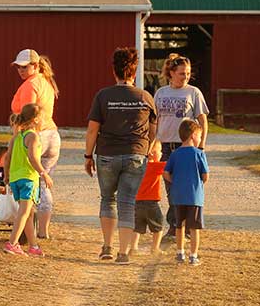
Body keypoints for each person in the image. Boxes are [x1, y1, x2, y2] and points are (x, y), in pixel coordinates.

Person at [85, 47, 157, 265]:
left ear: (114, 71)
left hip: (107, 154)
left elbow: (92, 129)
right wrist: (146, 149)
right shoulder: (145, 97)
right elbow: (154, 130)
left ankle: (107, 246)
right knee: (127, 202)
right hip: (136, 155)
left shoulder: (103, 96)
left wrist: (88, 155)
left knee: (108, 199)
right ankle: (123, 253)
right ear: (134, 73)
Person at [154, 54, 209, 238]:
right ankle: (177, 223)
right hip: (167, 147)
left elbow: (202, 119)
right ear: (171, 73)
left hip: (186, 146)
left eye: (187, 73)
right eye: (181, 73)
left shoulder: (193, 92)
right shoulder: (161, 93)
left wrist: (201, 145)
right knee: (171, 186)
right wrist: (152, 144)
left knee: (186, 187)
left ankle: (180, 225)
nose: (185, 77)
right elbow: (155, 120)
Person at [11, 49, 60, 239]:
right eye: (18, 67)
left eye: (24, 67)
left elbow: (27, 115)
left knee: (30, 179)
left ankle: (26, 225)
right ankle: (43, 230)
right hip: (52, 134)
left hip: (36, 136)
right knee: (43, 182)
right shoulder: (46, 82)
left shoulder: (30, 85)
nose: (21, 71)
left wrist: (17, 138)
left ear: (35, 66)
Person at [3, 103, 53, 257]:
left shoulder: (16, 137)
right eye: (43, 118)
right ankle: (12, 243)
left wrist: (6, 176)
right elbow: (32, 157)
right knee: (24, 213)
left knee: (29, 213)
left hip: (16, 179)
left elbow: (7, 158)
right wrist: (43, 173)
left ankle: (33, 246)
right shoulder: (33, 136)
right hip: (29, 179)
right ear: (36, 119)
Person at [163, 119, 209, 266]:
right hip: (194, 196)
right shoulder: (199, 154)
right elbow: (205, 176)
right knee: (194, 227)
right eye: (200, 136)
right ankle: (193, 256)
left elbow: (165, 173)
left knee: (179, 225)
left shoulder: (175, 154)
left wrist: (174, 182)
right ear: (193, 135)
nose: (200, 139)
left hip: (178, 195)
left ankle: (180, 253)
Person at [130, 140, 166, 256]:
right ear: (151, 153)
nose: (161, 154)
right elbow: (170, 166)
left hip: (137, 201)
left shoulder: (137, 167)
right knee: (158, 225)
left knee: (137, 227)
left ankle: (133, 248)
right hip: (151, 202)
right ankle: (155, 248)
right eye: (159, 151)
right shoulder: (156, 166)